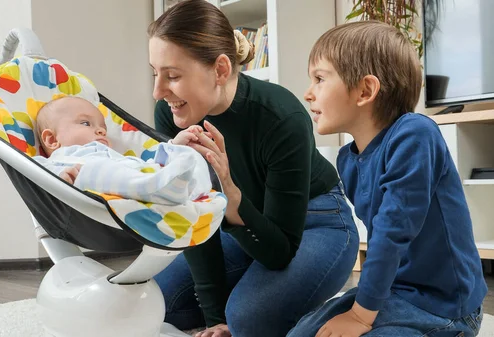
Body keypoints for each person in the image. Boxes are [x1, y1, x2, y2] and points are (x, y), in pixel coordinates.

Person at [148, 1, 359, 336]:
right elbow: (196, 219)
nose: (158, 91)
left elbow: (279, 252)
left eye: (172, 76)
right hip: (239, 221)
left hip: (315, 222)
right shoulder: (174, 116)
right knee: (156, 304)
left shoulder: (281, 117)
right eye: (155, 73)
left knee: (248, 318)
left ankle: (334, 307)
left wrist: (231, 195)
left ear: (219, 69)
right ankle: (265, 296)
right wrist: (215, 316)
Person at [287, 21, 487, 337]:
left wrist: (362, 317)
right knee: (302, 333)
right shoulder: (347, 159)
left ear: (365, 90)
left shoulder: (416, 134)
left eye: (319, 79)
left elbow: (392, 232)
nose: (308, 93)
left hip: (445, 305)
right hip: (395, 291)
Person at [32, 96, 211, 205]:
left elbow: (144, 168)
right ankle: (168, 188)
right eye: (86, 123)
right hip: (93, 180)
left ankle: (193, 188)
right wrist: (60, 176)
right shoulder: (62, 159)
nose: (101, 130)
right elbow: (36, 171)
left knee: (191, 155)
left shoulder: (114, 156)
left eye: (103, 127)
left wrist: (174, 147)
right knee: (99, 170)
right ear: (52, 139)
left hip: (139, 178)